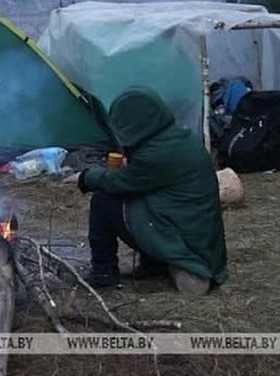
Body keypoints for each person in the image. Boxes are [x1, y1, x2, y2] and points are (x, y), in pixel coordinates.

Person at [76, 86, 228, 295]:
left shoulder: (157, 154)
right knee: (139, 203)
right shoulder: (175, 138)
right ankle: (155, 263)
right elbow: (147, 182)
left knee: (103, 201)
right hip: (194, 234)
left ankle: (104, 274)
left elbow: (118, 183)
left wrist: (87, 177)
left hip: (188, 241)